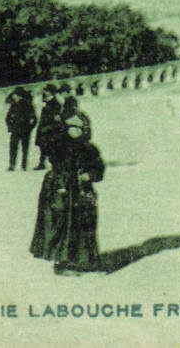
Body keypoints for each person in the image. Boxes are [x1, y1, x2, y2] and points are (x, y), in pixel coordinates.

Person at [30, 115, 106, 272]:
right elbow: (51, 154)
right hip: (61, 190)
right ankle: (62, 261)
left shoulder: (90, 149)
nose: (76, 131)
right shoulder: (59, 146)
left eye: (80, 128)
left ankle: (82, 260)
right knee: (61, 225)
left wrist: (89, 175)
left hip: (81, 192)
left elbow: (99, 169)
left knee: (83, 225)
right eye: (73, 127)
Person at [6, 87, 36, 172]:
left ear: (19, 95)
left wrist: (29, 128)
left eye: (15, 94)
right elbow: (8, 118)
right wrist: (10, 127)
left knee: (22, 148)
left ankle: (21, 165)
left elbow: (34, 119)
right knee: (16, 148)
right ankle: (16, 165)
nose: (14, 96)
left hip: (23, 130)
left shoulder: (27, 105)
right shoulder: (14, 105)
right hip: (18, 130)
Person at [33, 86, 63, 170]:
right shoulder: (47, 102)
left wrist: (47, 127)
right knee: (43, 147)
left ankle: (54, 164)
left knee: (51, 147)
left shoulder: (55, 103)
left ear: (50, 92)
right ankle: (42, 163)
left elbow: (55, 118)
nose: (45, 92)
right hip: (44, 129)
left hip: (50, 130)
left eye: (46, 91)